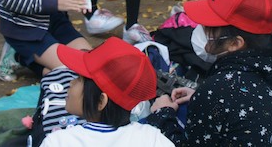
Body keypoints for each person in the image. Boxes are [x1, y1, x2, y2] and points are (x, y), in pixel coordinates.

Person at [146, 0, 272, 146]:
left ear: (235, 43)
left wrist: (163, 115)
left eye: (208, 27)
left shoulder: (217, 91)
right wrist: (202, 97)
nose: (199, 29)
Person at [40, 37, 173, 146]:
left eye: (79, 79)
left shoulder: (59, 141)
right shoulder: (152, 138)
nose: (71, 83)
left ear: (101, 101)